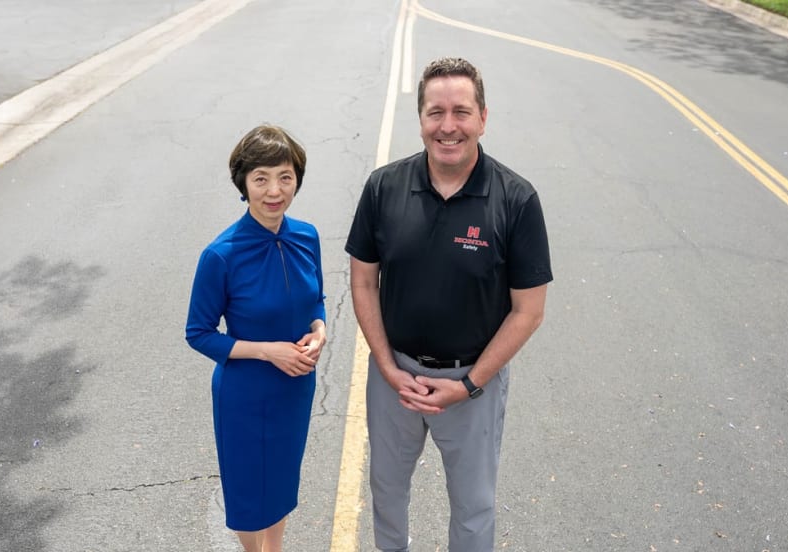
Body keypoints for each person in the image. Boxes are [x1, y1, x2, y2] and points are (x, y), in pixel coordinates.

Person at [345, 57, 553, 551]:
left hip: (472, 384)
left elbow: (528, 311)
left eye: (461, 111)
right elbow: (363, 282)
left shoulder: (516, 199)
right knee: (386, 493)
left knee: (473, 507)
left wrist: (470, 384)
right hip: (395, 379)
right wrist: (386, 366)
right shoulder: (383, 187)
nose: (448, 126)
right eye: (435, 112)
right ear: (420, 119)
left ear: (483, 117)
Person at [186, 124, 326, 552]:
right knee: (248, 494)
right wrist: (267, 352)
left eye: (285, 177)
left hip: (295, 388)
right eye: (261, 178)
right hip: (245, 395)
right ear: (244, 183)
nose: (274, 190)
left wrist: (320, 331)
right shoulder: (221, 255)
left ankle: (275, 548)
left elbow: (316, 300)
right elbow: (199, 333)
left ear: (297, 180)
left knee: (282, 481)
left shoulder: (307, 236)